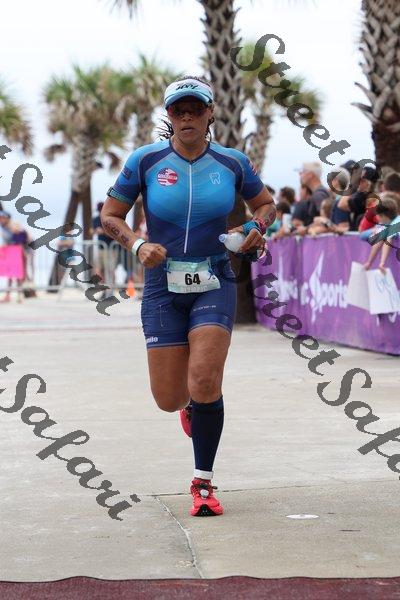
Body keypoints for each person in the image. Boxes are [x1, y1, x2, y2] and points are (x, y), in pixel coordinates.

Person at [101, 75, 275, 517]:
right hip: (162, 284)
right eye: (179, 110)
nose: (187, 116)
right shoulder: (145, 160)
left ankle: (202, 483)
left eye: (195, 108)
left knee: (205, 379)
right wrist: (137, 245)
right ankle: (192, 407)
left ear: (210, 113)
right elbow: (110, 215)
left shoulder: (232, 162)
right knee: (169, 398)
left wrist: (254, 228)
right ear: (169, 115)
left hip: (215, 278)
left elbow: (266, 205)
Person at [364, 197, 400, 273]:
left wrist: (382, 263)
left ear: (383, 216)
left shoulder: (396, 223)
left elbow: (388, 240)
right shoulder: (388, 225)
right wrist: (369, 262)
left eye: (376, 215)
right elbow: (378, 241)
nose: (376, 218)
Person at [337, 166, 379, 230]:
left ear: (370, 183)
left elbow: (341, 204)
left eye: (362, 180)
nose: (359, 183)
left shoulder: (362, 197)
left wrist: (351, 185)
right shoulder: (361, 195)